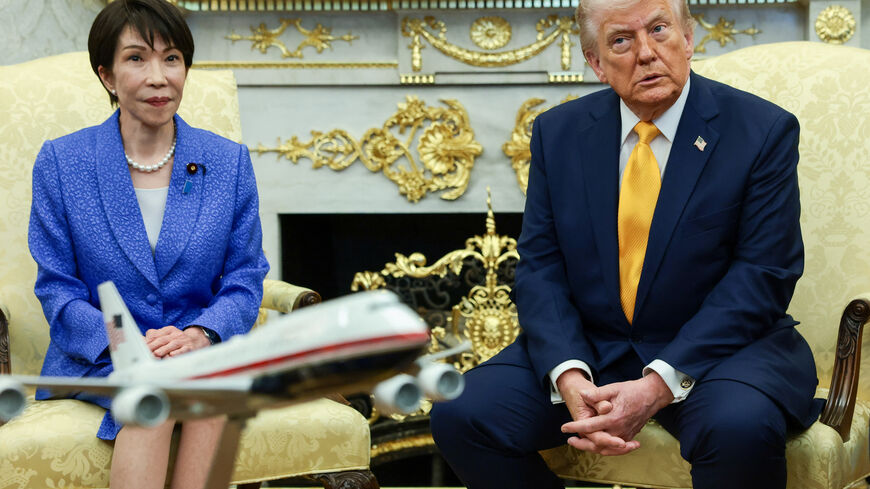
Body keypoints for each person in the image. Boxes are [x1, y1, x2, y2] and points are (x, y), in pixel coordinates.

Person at [430, 1, 823, 488]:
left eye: (659, 30)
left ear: (688, 38)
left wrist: (658, 383)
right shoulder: (558, 133)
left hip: (720, 352)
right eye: (621, 40)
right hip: (593, 346)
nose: (646, 53)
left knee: (738, 428)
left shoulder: (761, 131)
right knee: (462, 414)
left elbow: (764, 275)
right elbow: (540, 267)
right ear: (595, 61)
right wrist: (568, 375)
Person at [27, 0, 269, 487]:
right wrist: (126, 343)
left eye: (172, 57)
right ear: (107, 76)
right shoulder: (63, 162)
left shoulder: (228, 163)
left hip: (196, 350)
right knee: (154, 391)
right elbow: (57, 289)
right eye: (137, 58)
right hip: (101, 356)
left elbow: (245, 278)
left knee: (208, 389)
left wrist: (200, 334)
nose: (159, 76)